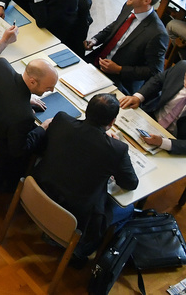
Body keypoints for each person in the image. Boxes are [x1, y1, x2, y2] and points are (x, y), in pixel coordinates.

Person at [32, 94, 138, 256]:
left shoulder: (61, 120)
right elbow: (130, 183)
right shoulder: (117, 150)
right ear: (112, 122)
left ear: (87, 110)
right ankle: (81, 250)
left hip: (40, 191)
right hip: (76, 215)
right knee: (128, 209)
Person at [0, 58, 59, 191]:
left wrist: (24, 98)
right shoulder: (24, 115)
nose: (52, 90)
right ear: (32, 82)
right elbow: (19, 150)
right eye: (48, 88)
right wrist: (43, 128)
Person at [119, 61, 186, 156]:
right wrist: (138, 97)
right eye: (185, 86)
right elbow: (158, 80)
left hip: (172, 140)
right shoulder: (181, 67)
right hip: (150, 117)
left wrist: (162, 142)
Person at [83, 0, 168, 93]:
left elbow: (154, 72)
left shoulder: (157, 34)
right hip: (96, 60)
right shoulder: (129, 5)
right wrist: (96, 39)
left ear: (146, 1)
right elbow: (116, 25)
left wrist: (119, 69)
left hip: (120, 80)